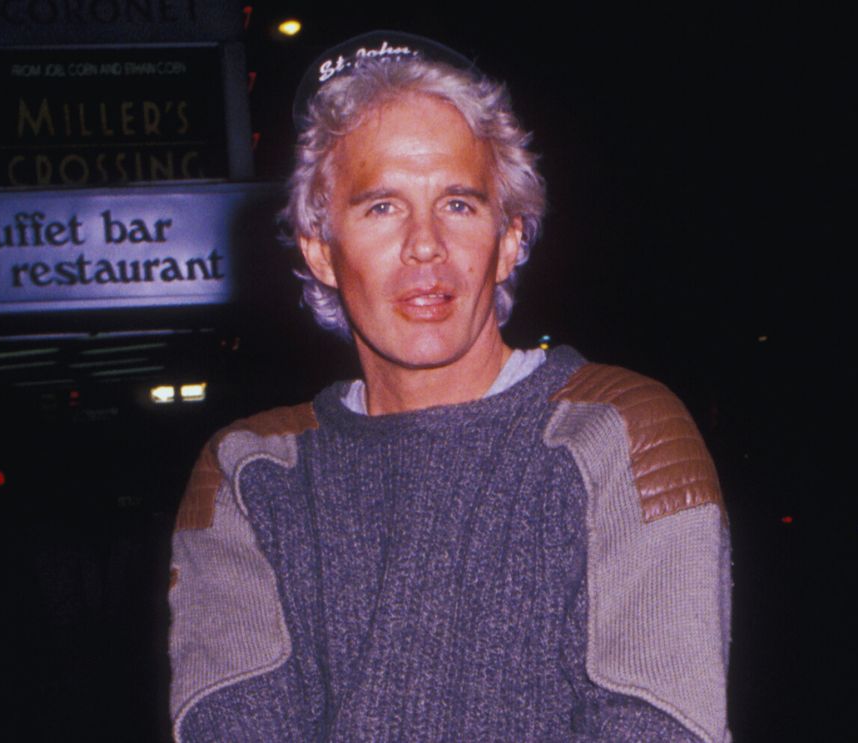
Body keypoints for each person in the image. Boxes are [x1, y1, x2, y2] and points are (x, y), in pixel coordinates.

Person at [168, 30, 730, 742]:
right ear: (320, 251)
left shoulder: (620, 432)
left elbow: (661, 724)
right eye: (381, 206)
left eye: (459, 204)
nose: (424, 244)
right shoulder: (249, 472)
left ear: (509, 240)